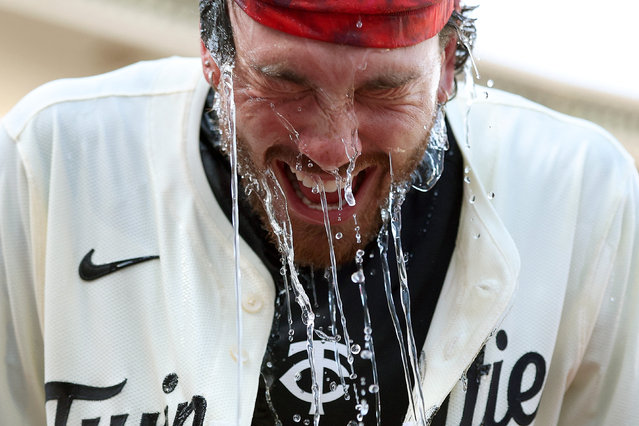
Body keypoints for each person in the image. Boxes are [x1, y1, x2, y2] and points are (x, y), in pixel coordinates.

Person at [1, 0, 638, 424]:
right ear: (213, 50)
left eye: (383, 90)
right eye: (285, 82)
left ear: (448, 65)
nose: (333, 147)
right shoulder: (53, 165)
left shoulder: (579, 202)